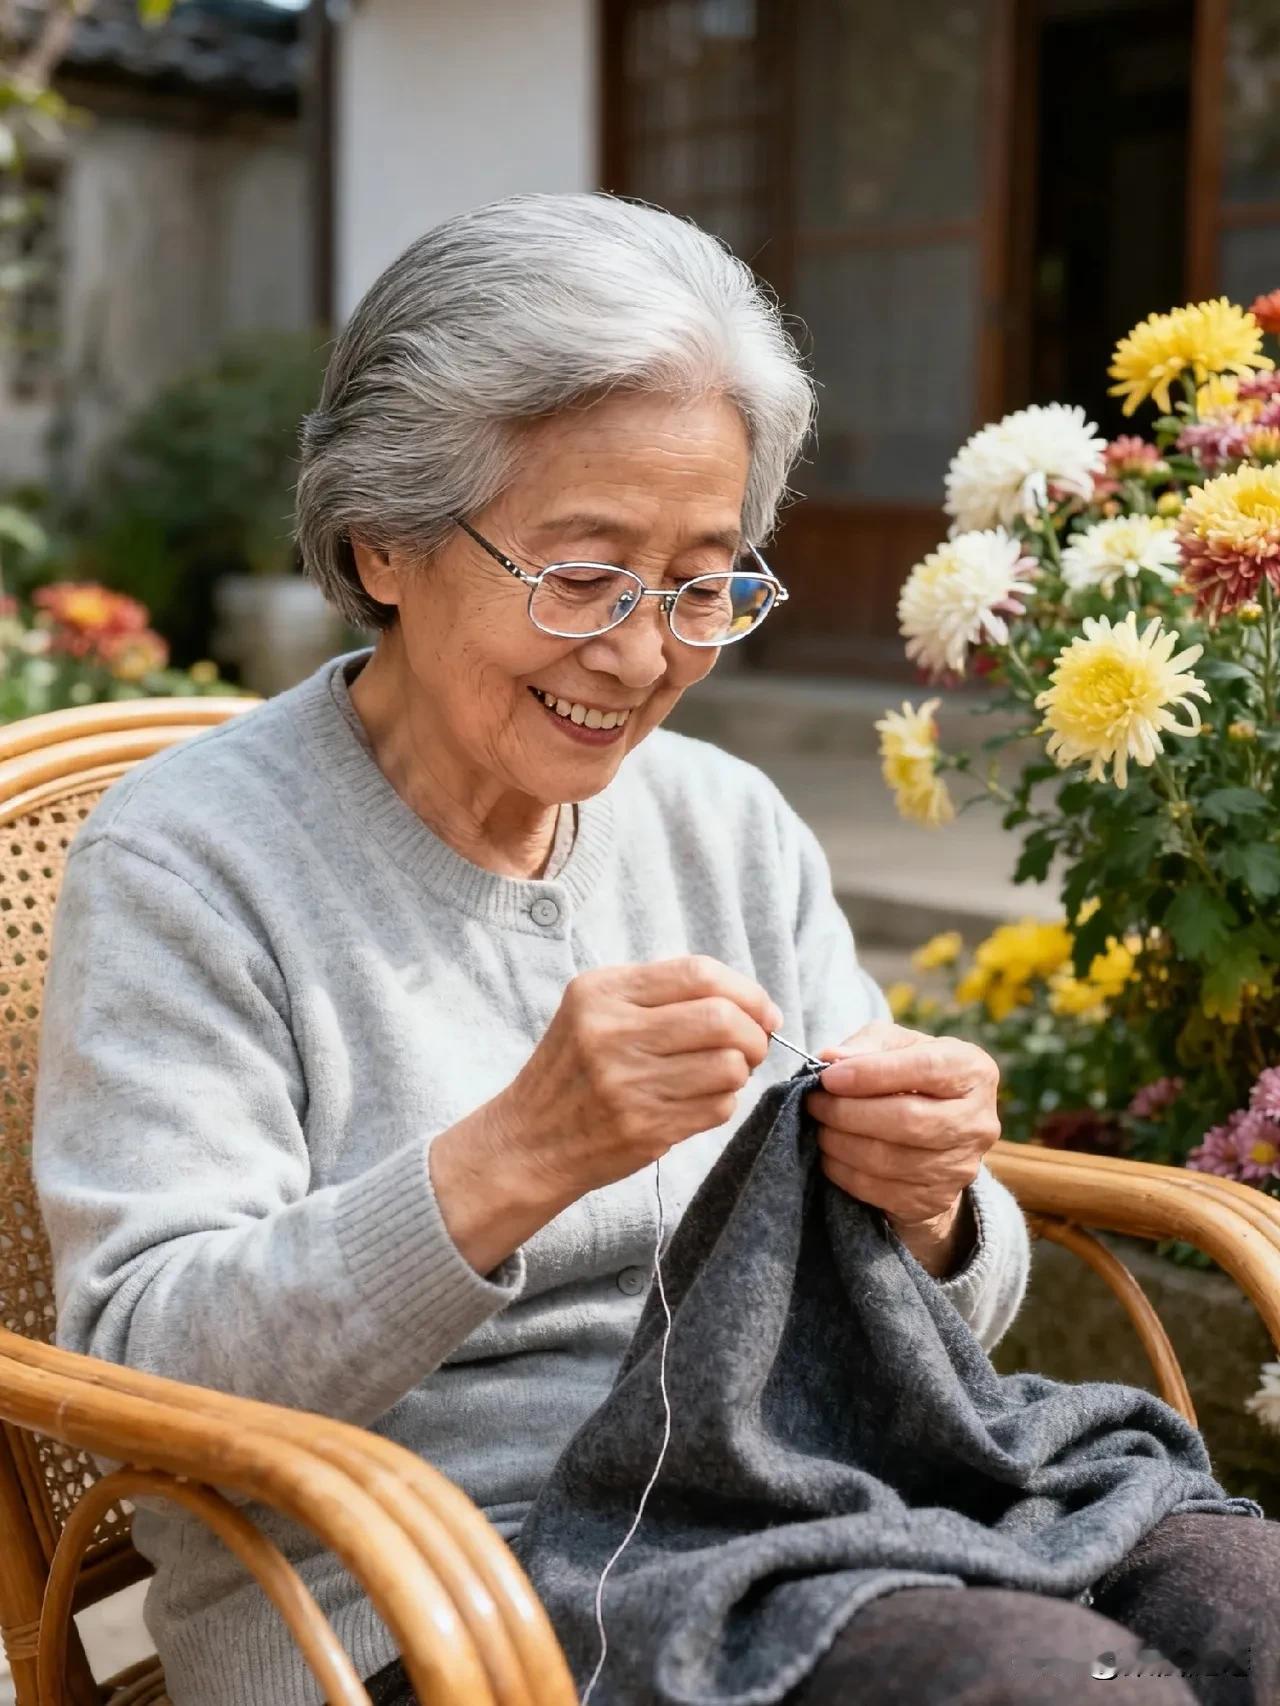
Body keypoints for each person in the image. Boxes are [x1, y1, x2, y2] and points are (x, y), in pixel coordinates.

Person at [34, 194, 1277, 1706]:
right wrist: (511, 1158)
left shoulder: (725, 822)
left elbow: (928, 1327)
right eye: (583, 572)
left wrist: (939, 1203)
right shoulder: (191, 860)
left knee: (1246, 1599)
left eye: (704, 580)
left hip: (809, 1496)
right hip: (433, 1587)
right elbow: (143, 1377)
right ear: (383, 542)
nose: (641, 654)